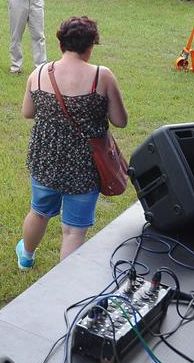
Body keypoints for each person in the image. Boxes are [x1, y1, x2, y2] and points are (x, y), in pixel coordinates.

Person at [16, 16, 127, 268]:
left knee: (39, 212)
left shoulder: (39, 73)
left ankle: (26, 257)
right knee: (74, 231)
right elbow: (120, 121)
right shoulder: (102, 76)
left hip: (46, 161)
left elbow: (27, 112)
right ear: (91, 46)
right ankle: (63, 282)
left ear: (60, 44)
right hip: (86, 165)